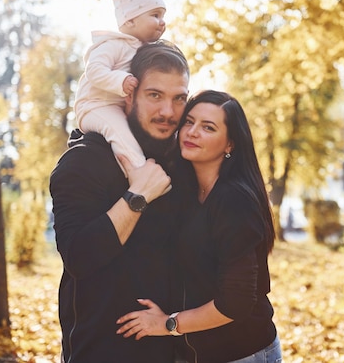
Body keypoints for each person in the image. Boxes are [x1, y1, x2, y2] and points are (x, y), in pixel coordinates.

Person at [116, 90, 282, 363]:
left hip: (242, 353)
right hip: (196, 353)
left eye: (208, 127)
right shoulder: (187, 192)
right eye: (189, 122)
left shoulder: (234, 200)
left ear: (230, 144)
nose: (192, 132)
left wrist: (167, 324)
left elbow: (236, 302)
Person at [49, 40, 189, 362]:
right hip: (101, 349)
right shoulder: (84, 160)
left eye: (178, 98)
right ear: (129, 94)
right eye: (155, 95)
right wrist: (136, 197)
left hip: (169, 347)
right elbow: (79, 258)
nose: (168, 112)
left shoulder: (178, 161)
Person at [74, 0, 167, 173]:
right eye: (155, 15)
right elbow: (94, 70)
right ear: (130, 20)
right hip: (96, 106)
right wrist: (121, 80)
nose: (162, 22)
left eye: (163, 16)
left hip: (119, 106)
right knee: (120, 134)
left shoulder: (144, 50)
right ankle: (140, 174)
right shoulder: (113, 45)